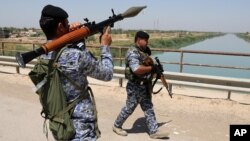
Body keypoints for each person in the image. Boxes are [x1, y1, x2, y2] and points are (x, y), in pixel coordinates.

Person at [39, 5, 113, 141]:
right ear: (60, 26)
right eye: (67, 24)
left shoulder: (42, 54)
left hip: (60, 124)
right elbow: (107, 74)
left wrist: (77, 40)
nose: (69, 27)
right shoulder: (76, 56)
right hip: (80, 129)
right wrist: (105, 46)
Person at [112, 31, 169, 139]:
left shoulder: (143, 52)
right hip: (135, 86)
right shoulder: (132, 52)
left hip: (144, 86)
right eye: (145, 40)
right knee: (129, 107)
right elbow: (136, 69)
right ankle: (116, 126)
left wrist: (155, 71)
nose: (147, 42)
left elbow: (146, 66)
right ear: (138, 40)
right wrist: (152, 68)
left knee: (148, 108)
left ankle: (153, 131)